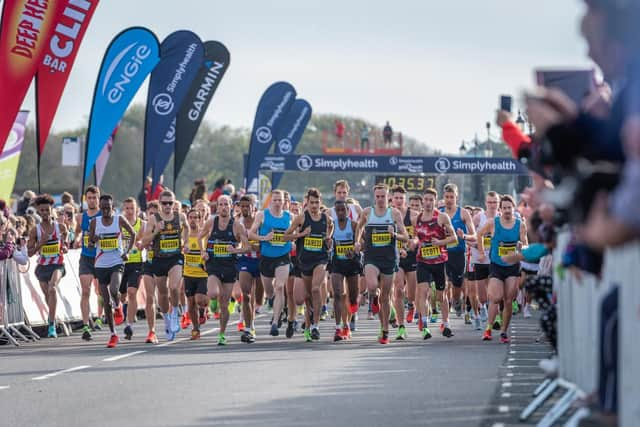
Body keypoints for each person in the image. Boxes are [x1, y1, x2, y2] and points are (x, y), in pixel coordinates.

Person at [357, 183, 409, 344]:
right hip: (372, 257)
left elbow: (405, 236)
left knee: (385, 297)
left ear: (389, 197)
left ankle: (385, 329)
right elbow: (359, 228)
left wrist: (394, 235)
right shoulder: (367, 212)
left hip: (389, 259)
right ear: (374, 197)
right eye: (378, 196)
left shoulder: (394, 213)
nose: (380, 199)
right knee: (372, 286)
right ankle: (373, 296)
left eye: (383, 196)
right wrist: (357, 242)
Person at [476, 195, 528, 343]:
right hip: (496, 266)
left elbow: (525, 243)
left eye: (509, 208)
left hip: (512, 267)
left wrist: (521, 248)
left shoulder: (520, 224)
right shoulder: (493, 223)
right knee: (495, 297)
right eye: (504, 208)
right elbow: (479, 234)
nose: (506, 210)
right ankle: (488, 329)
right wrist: (480, 252)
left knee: (508, 299)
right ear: (500, 210)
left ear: (513, 209)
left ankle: (504, 331)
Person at [284, 188, 333, 341]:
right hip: (304, 261)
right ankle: (309, 318)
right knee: (305, 297)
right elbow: (286, 236)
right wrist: (301, 235)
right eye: (311, 203)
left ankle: (315, 326)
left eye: (317, 202)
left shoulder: (326, 218)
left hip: (320, 259)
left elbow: (331, 229)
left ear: (321, 202)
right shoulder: (301, 218)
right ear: (307, 203)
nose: (314, 205)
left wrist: (328, 239)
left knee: (316, 288)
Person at [199, 195, 248, 345]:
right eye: (221, 205)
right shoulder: (211, 222)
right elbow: (200, 238)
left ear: (231, 206)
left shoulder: (237, 226)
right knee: (213, 293)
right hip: (213, 264)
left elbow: (247, 247)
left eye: (226, 204)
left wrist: (235, 250)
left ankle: (222, 333)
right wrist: (203, 252)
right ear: (217, 207)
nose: (223, 207)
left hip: (229, 266)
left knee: (225, 303)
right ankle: (213, 302)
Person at [88, 194, 136, 348]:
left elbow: (133, 234)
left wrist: (127, 252)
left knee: (115, 289)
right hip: (100, 264)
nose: (105, 210)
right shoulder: (95, 222)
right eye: (103, 208)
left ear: (112, 206)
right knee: (105, 300)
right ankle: (113, 334)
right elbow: (90, 244)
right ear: (100, 208)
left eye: (108, 207)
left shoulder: (119, 220)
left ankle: (118, 307)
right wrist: (93, 240)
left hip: (117, 261)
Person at [142, 190, 189, 341]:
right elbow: (144, 241)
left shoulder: (180, 217)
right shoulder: (153, 219)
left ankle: (175, 312)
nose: (168, 206)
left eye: (171, 203)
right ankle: (167, 318)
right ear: (160, 204)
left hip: (175, 257)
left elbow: (187, 228)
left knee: (174, 287)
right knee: (162, 293)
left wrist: (185, 242)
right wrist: (157, 231)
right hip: (158, 259)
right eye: (164, 203)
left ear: (174, 203)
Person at [412, 188, 457, 339]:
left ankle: (446, 323)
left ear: (435, 201)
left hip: (439, 261)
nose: (428, 203)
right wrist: (414, 242)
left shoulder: (442, 217)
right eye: (426, 200)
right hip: (423, 261)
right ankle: (425, 326)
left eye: (431, 200)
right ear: (422, 201)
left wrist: (440, 242)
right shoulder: (417, 218)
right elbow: (416, 236)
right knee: (423, 292)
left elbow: (454, 238)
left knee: (440, 296)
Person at [248, 190, 292, 337]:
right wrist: (264, 238)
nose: (278, 203)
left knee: (279, 287)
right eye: (275, 200)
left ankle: (275, 322)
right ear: (270, 201)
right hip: (266, 257)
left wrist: (293, 241)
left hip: (283, 257)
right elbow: (251, 234)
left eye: (280, 200)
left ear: (284, 201)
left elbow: (294, 234)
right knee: (270, 292)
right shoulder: (262, 215)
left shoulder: (289, 216)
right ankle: (278, 307)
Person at [27, 194, 68, 338]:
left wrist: (64, 246)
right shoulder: (35, 231)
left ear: (52, 210)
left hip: (57, 264)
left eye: (47, 210)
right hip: (42, 267)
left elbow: (66, 239)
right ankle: (54, 319)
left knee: (52, 288)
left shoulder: (60, 226)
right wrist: (40, 243)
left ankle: (51, 326)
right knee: (47, 295)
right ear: (38, 211)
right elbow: (30, 253)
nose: (45, 213)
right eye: (42, 210)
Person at [440, 183, 476, 318]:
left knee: (457, 286)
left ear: (456, 197)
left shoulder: (463, 213)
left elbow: (474, 235)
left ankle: (456, 300)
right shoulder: (439, 213)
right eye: (447, 197)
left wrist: (464, 236)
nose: (449, 199)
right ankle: (445, 319)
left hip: (458, 254)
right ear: (443, 197)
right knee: (442, 285)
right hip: (442, 253)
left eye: (451, 197)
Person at [329, 200, 361, 341]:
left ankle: (348, 321)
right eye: (338, 210)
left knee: (352, 297)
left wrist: (354, 250)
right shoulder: (332, 226)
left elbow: (364, 244)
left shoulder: (354, 226)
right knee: (338, 294)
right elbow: (327, 242)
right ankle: (339, 328)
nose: (341, 212)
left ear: (348, 211)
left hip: (352, 264)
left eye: (343, 210)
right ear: (335, 212)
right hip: (337, 264)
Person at [467, 191, 500, 330]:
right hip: (480, 259)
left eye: (495, 202)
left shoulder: (502, 217)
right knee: (481, 294)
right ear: (485, 203)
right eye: (490, 202)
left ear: (498, 203)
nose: (492, 205)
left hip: (495, 260)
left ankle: (496, 317)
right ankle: (483, 308)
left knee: (495, 291)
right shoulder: (478, 218)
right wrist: (475, 245)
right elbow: (470, 237)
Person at [73, 186, 102, 341]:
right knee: (85, 291)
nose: (92, 200)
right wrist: (77, 240)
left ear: (99, 198)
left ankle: (99, 317)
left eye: (94, 197)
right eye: (89, 197)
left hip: (101, 257)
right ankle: (85, 326)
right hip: (86, 258)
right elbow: (78, 231)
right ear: (86, 199)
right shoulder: (80, 217)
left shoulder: (104, 215)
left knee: (102, 292)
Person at [390, 185, 419, 340]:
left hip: (412, 256)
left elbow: (420, 234)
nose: (399, 201)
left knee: (411, 294)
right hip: (397, 258)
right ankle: (401, 326)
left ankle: (412, 304)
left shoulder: (413, 215)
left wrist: (414, 241)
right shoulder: (388, 215)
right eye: (396, 198)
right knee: (399, 290)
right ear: (392, 199)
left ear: (405, 200)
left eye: (401, 198)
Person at [119, 198, 145, 340]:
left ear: (137, 210)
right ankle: (123, 308)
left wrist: (143, 242)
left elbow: (147, 241)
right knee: (121, 295)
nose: (129, 211)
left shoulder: (142, 225)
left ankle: (129, 325)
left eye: (131, 208)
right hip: (121, 263)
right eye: (127, 208)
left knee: (132, 292)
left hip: (136, 263)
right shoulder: (119, 225)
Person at [236, 195, 260, 343]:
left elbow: (265, 243)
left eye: (248, 206)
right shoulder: (238, 223)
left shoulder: (260, 222)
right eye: (242, 206)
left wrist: (252, 246)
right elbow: (237, 243)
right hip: (245, 260)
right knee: (246, 295)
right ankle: (248, 328)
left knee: (260, 298)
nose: (245, 209)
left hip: (261, 260)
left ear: (253, 207)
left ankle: (252, 323)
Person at [183, 208, 209, 341]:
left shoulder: (204, 235)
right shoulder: (184, 235)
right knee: (191, 302)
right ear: (187, 219)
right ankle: (196, 328)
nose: (193, 220)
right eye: (190, 217)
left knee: (200, 300)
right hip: (188, 274)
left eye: (195, 217)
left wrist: (206, 256)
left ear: (200, 219)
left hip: (202, 274)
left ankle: (204, 309)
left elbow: (209, 251)